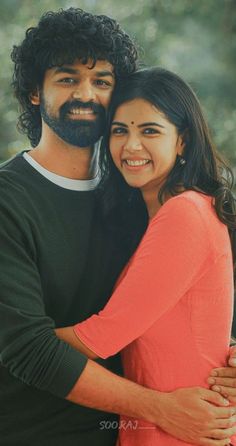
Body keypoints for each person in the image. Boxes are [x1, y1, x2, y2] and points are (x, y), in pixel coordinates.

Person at [0, 6, 236, 446]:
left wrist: (225, 360)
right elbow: (26, 350)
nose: (86, 94)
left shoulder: (134, 195)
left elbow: (190, 300)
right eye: (68, 78)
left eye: (102, 81)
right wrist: (159, 407)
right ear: (35, 91)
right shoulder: (8, 201)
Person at [55, 67, 236, 446]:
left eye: (149, 131)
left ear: (183, 141)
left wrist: (17, 342)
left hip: (184, 431)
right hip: (156, 428)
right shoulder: (156, 219)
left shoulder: (185, 212)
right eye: (120, 131)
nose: (131, 146)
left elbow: (100, 339)